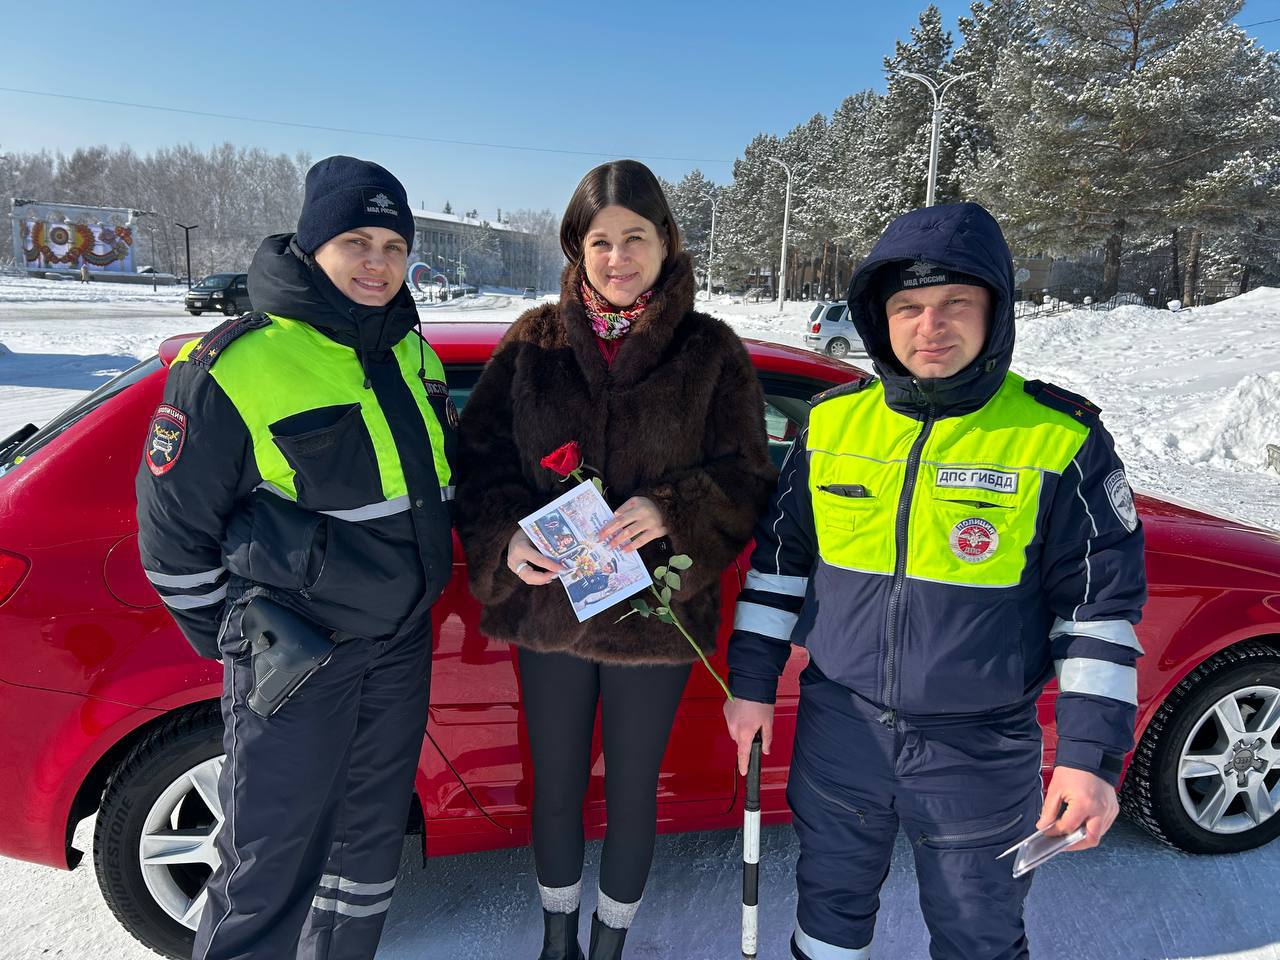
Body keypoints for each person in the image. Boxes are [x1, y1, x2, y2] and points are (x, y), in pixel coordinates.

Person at [723, 202, 1147, 960]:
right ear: (878, 318)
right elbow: (778, 570)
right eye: (908, 307)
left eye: (956, 302)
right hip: (840, 728)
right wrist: (751, 687)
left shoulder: (1061, 437)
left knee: (979, 932)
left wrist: (1088, 758)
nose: (931, 326)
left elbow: (1097, 616)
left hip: (978, 749)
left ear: (995, 310)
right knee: (827, 915)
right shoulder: (831, 426)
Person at [135, 156, 456, 960]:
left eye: (393, 244)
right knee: (268, 863)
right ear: (312, 246)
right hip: (300, 655)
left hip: (399, 644)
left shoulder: (413, 355)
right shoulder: (235, 364)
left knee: (367, 849)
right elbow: (171, 534)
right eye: (357, 242)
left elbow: (439, 488)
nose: (378, 262)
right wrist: (246, 639)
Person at [455, 159, 775, 960]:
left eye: (636, 238)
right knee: (556, 788)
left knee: (633, 792)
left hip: (653, 620)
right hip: (550, 610)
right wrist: (507, 540)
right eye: (600, 241)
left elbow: (748, 476)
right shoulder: (532, 344)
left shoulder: (710, 352)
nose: (618, 257)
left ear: (666, 243)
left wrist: (674, 510)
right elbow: (478, 464)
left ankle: (608, 946)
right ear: (577, 248)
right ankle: (556, 941)